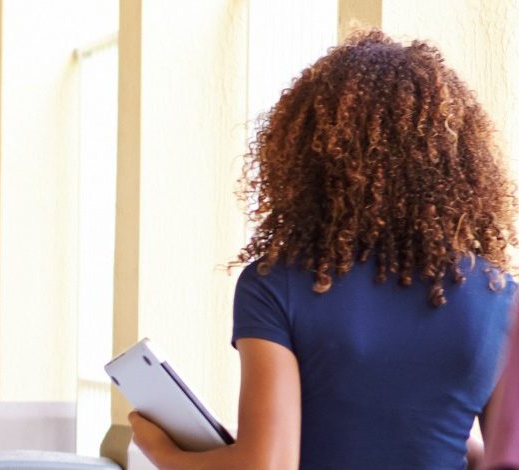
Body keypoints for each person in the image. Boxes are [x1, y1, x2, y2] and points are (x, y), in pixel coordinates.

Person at [130, 30, 517, 469]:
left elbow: (268, 464)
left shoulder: (275, 285)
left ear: (308, 155)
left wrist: (161, 451)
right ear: (457, 161)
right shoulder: (501, 296)